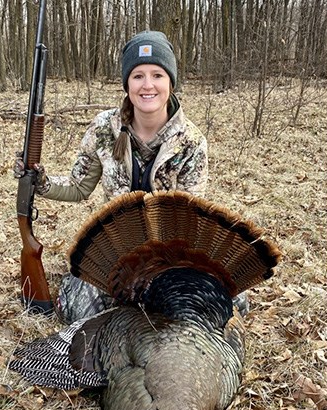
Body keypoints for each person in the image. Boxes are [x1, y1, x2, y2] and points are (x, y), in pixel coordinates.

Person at [16, 30, 212, 323]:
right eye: (138, 76)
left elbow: (188, 221)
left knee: (213, 307)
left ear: (171, 82)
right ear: (127, 84)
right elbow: (78, 186)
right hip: (114, 250)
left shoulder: (191, 142)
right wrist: (38, 180)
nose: (148, 85)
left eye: (157, 75)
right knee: (81, 315)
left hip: (167, 254)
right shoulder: (104, 128)